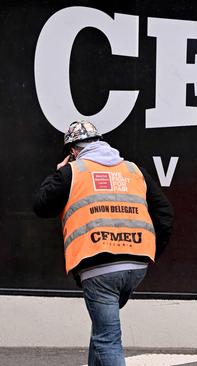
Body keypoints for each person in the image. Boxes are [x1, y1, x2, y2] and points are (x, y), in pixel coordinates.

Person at [33, 120, 174, 366]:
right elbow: (165, 214)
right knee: (102, 331)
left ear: (73, 151)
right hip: (136, 266)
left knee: (107, 339)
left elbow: (41, 205)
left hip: (99, 268)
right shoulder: (133, 170)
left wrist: (58, 173)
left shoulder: (72, 172)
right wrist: (148, 252)